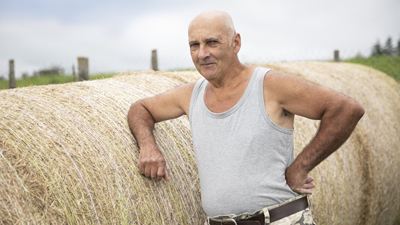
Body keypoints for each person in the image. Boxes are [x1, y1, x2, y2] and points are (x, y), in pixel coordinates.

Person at [127, 10, 364, 225]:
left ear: (235, 43)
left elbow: (345, 109)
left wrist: (300, 167)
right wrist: (148, 146)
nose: (202, 54)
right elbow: (141, 109)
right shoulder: (191, 95)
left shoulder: (269, 85)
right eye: (194, 45)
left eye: (212, 42)